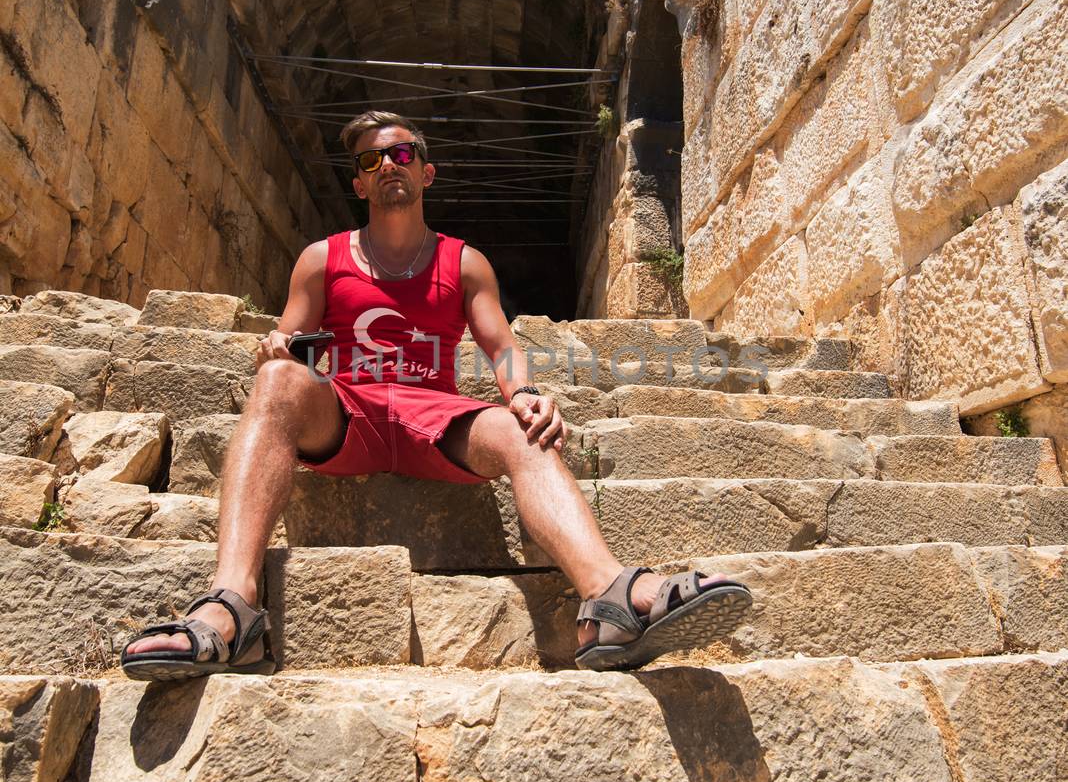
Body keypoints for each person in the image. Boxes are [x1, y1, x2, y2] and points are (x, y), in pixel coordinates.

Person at [120, 111, 752, 679]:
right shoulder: (321, 259)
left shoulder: (464, 262)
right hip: (350, 409)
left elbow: (501, 346)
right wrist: (277, 351)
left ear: (426, 172)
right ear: (359, 185)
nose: (388, 165)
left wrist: (526, 393)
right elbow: (291, 337)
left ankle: (609, 599)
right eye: (371, 161)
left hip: (434, 415)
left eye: (401, 154)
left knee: (517, 429)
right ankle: (233, 608)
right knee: (277, 381)